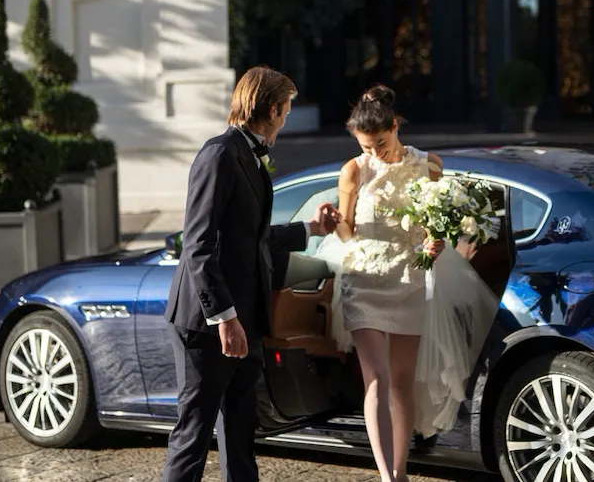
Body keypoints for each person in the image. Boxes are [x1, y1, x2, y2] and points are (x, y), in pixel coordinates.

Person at [161, 66, 340, 482]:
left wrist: (310, 229)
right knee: (193, 436)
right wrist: (224, 318)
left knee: (241, 434)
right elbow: (198, 244)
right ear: (274, 110)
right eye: (287, 111)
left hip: (245, 320)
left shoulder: (249, 154)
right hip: (207, 327)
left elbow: (248, 236)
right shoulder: (219, 153)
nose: (286, 119)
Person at [321, 85, 499, 482]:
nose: (374, 154)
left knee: (402, 382)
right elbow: (347, 233)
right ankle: (387, 475)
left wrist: (438, 241)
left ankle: (400, 471)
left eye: (380, 144)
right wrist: (335, 221)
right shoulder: (354, 169)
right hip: (364, 277)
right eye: (366, 147)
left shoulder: (430, 166)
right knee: (378, 378)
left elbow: (441, 227)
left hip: (412, 278)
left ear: (395, 125)